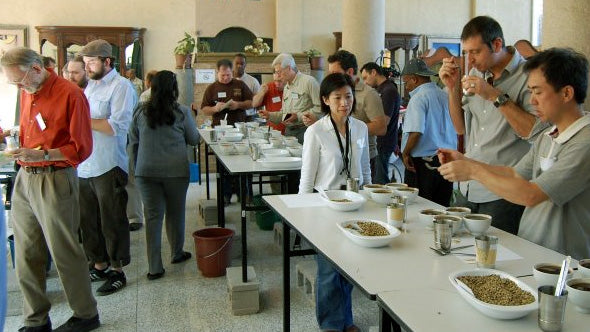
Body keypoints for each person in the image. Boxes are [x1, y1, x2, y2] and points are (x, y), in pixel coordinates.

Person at [439, 48, 590, 259]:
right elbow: (514, 173)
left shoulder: (584, 141)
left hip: (563, 261)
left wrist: (473, 171)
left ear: (566, 93)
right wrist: (466, 161)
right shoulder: (548, 134)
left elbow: (531, 195)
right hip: (532, 250)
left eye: (538, 92)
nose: (533, 101)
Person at [1, 47, 99, 332]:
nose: (19, 87)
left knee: (64, 250)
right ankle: (36, 319)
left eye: (20, 81)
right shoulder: (26, 90)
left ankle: (85, 314)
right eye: (14, 83)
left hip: (55, 178)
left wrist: (43, 155)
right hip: (25, 178)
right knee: (26, 252)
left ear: (36, 68)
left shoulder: (70, 94)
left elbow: (81, 148)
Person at [438, 16, 547, 234]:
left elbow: (533, 132)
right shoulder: (476, 74)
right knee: (456, 251)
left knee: (496, 260)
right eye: (466, 52)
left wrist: (495, 96)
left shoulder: (529, 76)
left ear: (497, 44)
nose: (470, 60)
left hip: (502, 191)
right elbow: (461, 128)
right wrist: (452, 88)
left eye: (475, 52)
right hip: (468, 186)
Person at [299, 73, 369, 332]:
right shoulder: (315, 132)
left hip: (355, 203)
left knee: (349, 268)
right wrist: (303, 216)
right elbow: (306, 178)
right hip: (324, 206)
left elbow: (365, 168)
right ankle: (330, 324)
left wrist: (368, 197)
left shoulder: (360, 128)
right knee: (329, 271)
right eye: (337, 97)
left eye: (348, 96)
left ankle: (346, 320)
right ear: (325, 100)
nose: (344, 103)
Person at [78, 39, 137, 296]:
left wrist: (82, 120)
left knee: (111, 219)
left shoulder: (121, 87)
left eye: (92, 62)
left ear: (107, 61)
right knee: (88, 220)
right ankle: (99, 264)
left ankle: (117, 270)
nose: (87, 67)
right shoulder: (88, 87)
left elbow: (116, 126)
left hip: (109, 163)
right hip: (84, 164)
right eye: (85, 63)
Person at [128, 70, 200, 280]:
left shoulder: (140, 112)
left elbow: (132, 142)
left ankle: (154, 267)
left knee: (152, 217)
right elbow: (194, 139)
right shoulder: (182, 112)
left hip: (146, 172)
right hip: (175, 172)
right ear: (174, 89)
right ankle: (176, 253)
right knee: (175, 213)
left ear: (152, 88)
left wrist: (134, 169)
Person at [400, 58, 457, 206]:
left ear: (414, 79)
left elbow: (416, 132)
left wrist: (405, 153)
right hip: (445, 160)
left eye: (406, 82)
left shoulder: (418, 98)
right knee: (441, 208)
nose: (406, 87)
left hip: (423, 164)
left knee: (420, 208)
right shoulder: (444, 94)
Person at [327, 50, 387, 182]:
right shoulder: (332, 91)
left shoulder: (369, 94)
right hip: (337, 155)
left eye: (334, 73)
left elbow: (381, 127)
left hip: (362, 156)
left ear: (349, 72)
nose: (330, 78)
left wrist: (349, 128)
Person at [201, 59, 253, 204]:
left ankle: (244, 194)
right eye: (222, 75)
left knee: (243, 162)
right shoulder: (212, 88)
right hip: (220, 132)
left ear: (232, 72)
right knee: (222, 165)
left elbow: (251, 102)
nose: (225, 78)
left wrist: (238, 105)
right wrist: (215, 109)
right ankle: (225, 195)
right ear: (217, 72)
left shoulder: (240, 85)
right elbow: (204, 108)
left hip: (239, 130)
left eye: (228, 75)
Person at [259, 53, 322, 143]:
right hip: (288, 131)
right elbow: (284, 114)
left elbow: (321, 108)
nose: (278, 75)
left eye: (279, 72)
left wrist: (298, 116)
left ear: (289, 68)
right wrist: (269, 115)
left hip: (304, 131)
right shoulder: (286, 87)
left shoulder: (309, 82)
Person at [360, 62, 401, 183]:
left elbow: (384, 122)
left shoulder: (388, 90)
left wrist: (359, 126)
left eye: (365, 78)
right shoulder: (380, 89)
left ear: (373, 72)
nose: (365, 82)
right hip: (379, 142)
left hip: (384, 142)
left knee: (379, 180)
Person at [233, 53, 261, 120]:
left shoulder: (253, 81)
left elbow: (259, 102)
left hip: (249, 118)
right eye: (237, 63)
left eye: (242, 63)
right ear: (232, 64)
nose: (239, 66)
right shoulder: (227, 80)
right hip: (231, 116)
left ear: (245, 65)